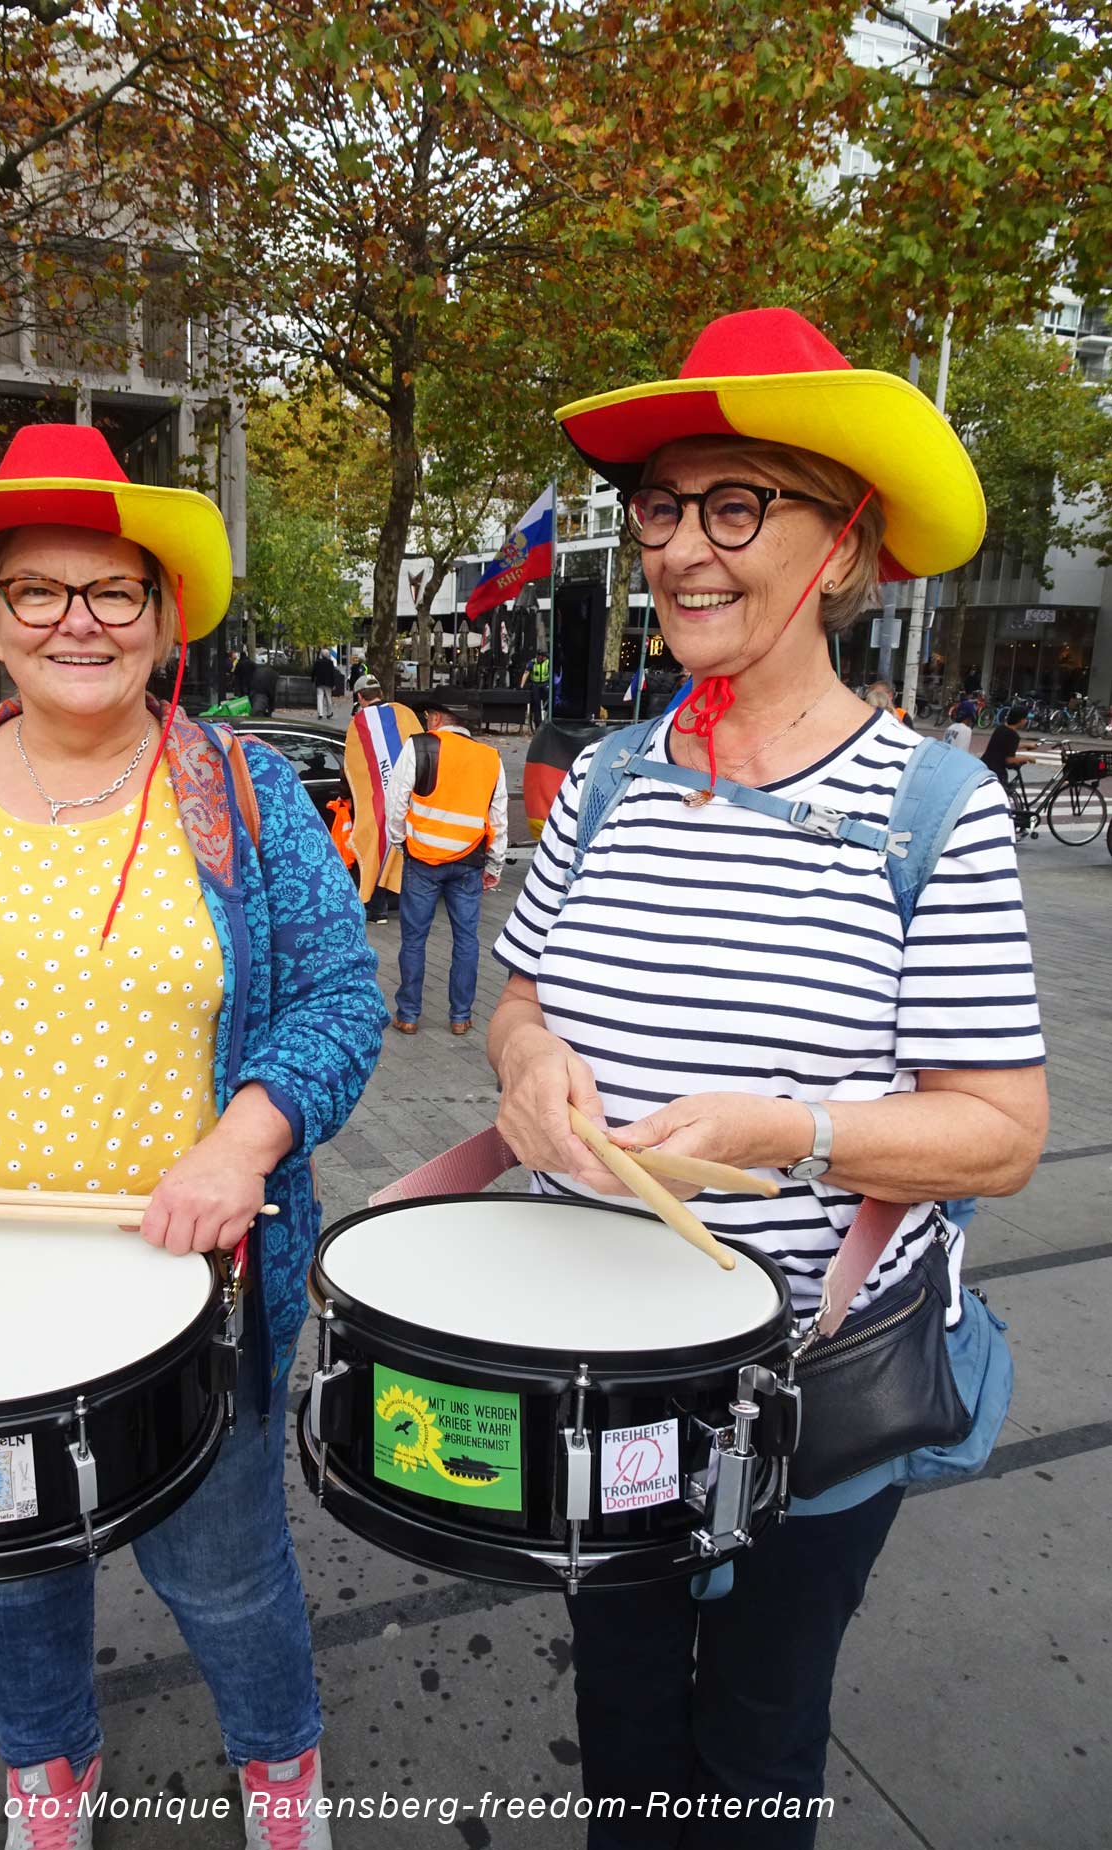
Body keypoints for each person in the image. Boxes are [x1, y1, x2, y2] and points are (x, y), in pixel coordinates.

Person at [0, 423, 388, 1850]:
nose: (78, 621)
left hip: (191, 1294)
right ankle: (47, 1773)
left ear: (164, 618)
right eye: (37, 589)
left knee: (224, 1574)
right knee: (12, 1566)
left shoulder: (238, 788)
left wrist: (243, 1141)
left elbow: (337, 994)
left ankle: (279, 1770)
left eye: (114, 590)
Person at [490, 307, 1047, 1847]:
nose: (680, 547)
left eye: (733, 505)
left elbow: (999, 1135)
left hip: (803, 1398)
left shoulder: (931, 808)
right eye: (658, 506)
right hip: (596, 1374)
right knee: (620, 1719)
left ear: (841, 544)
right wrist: (528, 1068)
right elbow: (516, 1004)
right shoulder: (605, 779)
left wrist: (787, 1132)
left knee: (751, 1736)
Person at [387, 693, 507, 1035]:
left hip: (422, 860)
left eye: (428, 715)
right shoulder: (490, 758)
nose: (427, 721)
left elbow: (396, 803)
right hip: (469, 862)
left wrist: (400, 842)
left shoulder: (419, 746)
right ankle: (460, 1017)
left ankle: (408, 1015)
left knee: (414, 938)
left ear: (438, 718)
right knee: (466, 939)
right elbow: (498, 818)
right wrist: (494, 866)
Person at [343, 675, 421, 926]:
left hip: (376, 803)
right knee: (406, 852)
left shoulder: (359, 723)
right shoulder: (405, 713)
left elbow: (353, 766)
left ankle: (377, 909)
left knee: (376, 849)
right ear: (380, 692)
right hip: (411, 798)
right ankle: (410, 907)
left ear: (359, 697)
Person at [982, 703, 1037, 795]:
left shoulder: (1000, 728)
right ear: (1021, 720)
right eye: (1025, 718)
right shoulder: (1013, 735)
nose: (1026, 721)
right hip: (997, 772)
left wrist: (1026, 745)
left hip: (985, 766)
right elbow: (1009, 760)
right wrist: (1027, 758)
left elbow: (1004, 746)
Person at [520, 649, 550, 729]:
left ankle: (548, 713)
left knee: (549, 697)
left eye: (541, 656)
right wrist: (522, 685)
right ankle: (537, 723)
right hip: (535, 684)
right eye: (538, 656)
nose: (539, 658)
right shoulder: (532, 662)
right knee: (536, 703)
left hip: (545, 683)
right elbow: (526, 673)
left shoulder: (548, 662)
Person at [312, 648, 336, 720]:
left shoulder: (317, 662)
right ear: (328, 655)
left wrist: (312, 680)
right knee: (328, 698)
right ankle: (329, 713)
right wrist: (333, 684)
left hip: (319, 682)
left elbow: (314, 672)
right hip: (328, 683)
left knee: (319, 697)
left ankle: (320, 714)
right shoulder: (330, 663)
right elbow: (332, 674)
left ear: (321, 655)